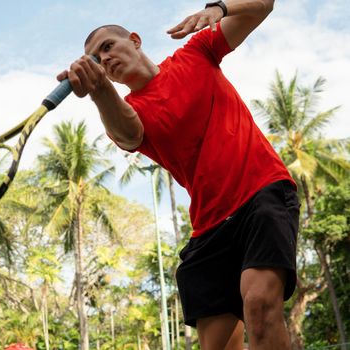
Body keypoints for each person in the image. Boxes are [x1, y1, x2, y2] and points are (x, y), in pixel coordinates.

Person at [58, 0, 300, 349]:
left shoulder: (196, 53)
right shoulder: (126, 112)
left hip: (262, 192)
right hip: (210, 228)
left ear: (135, 41)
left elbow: (264, 4)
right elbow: (129, 134)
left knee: (259, 305)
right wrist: (100, 91)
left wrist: (220, 8)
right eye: (97, 60)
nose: (105, 59)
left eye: (108, 47)